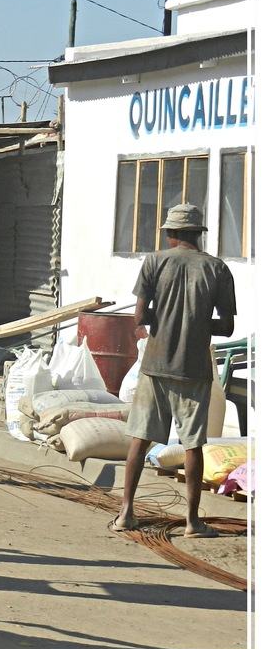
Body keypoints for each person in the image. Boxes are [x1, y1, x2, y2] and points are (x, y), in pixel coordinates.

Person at [112, 203, 237, 538]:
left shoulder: (154, 262)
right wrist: (194, 324)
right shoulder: (217, 268)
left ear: (171, 235)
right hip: (194, 368)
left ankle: (126, 513)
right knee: (193, 443)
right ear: (197, 234)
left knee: (141, 437)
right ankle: (193, 522)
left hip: (155, 364)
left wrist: (165, 319)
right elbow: (226, 327)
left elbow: (139, 318)